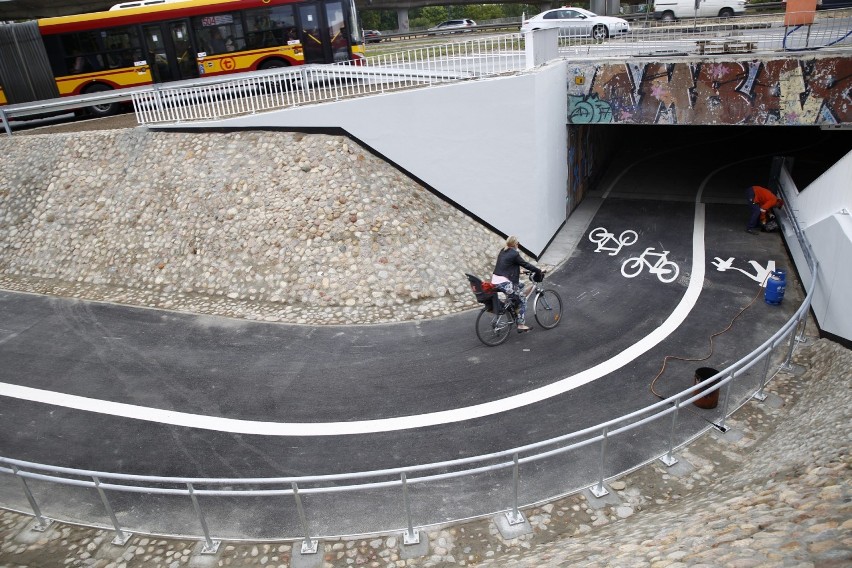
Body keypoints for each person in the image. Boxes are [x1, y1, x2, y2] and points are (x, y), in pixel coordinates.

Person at [491, 236, 543, 332]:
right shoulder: (514, 254)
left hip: (495, 281)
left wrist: (520, 271)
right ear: (515, 244)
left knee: (521, 286)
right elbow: (525, 264)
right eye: (517, 243)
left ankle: (513, 306)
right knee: (522, 300)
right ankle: (521, 325)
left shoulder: (503, 250)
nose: (518, 244)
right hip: (504, 283)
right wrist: (538, 270)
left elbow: (507, 265)